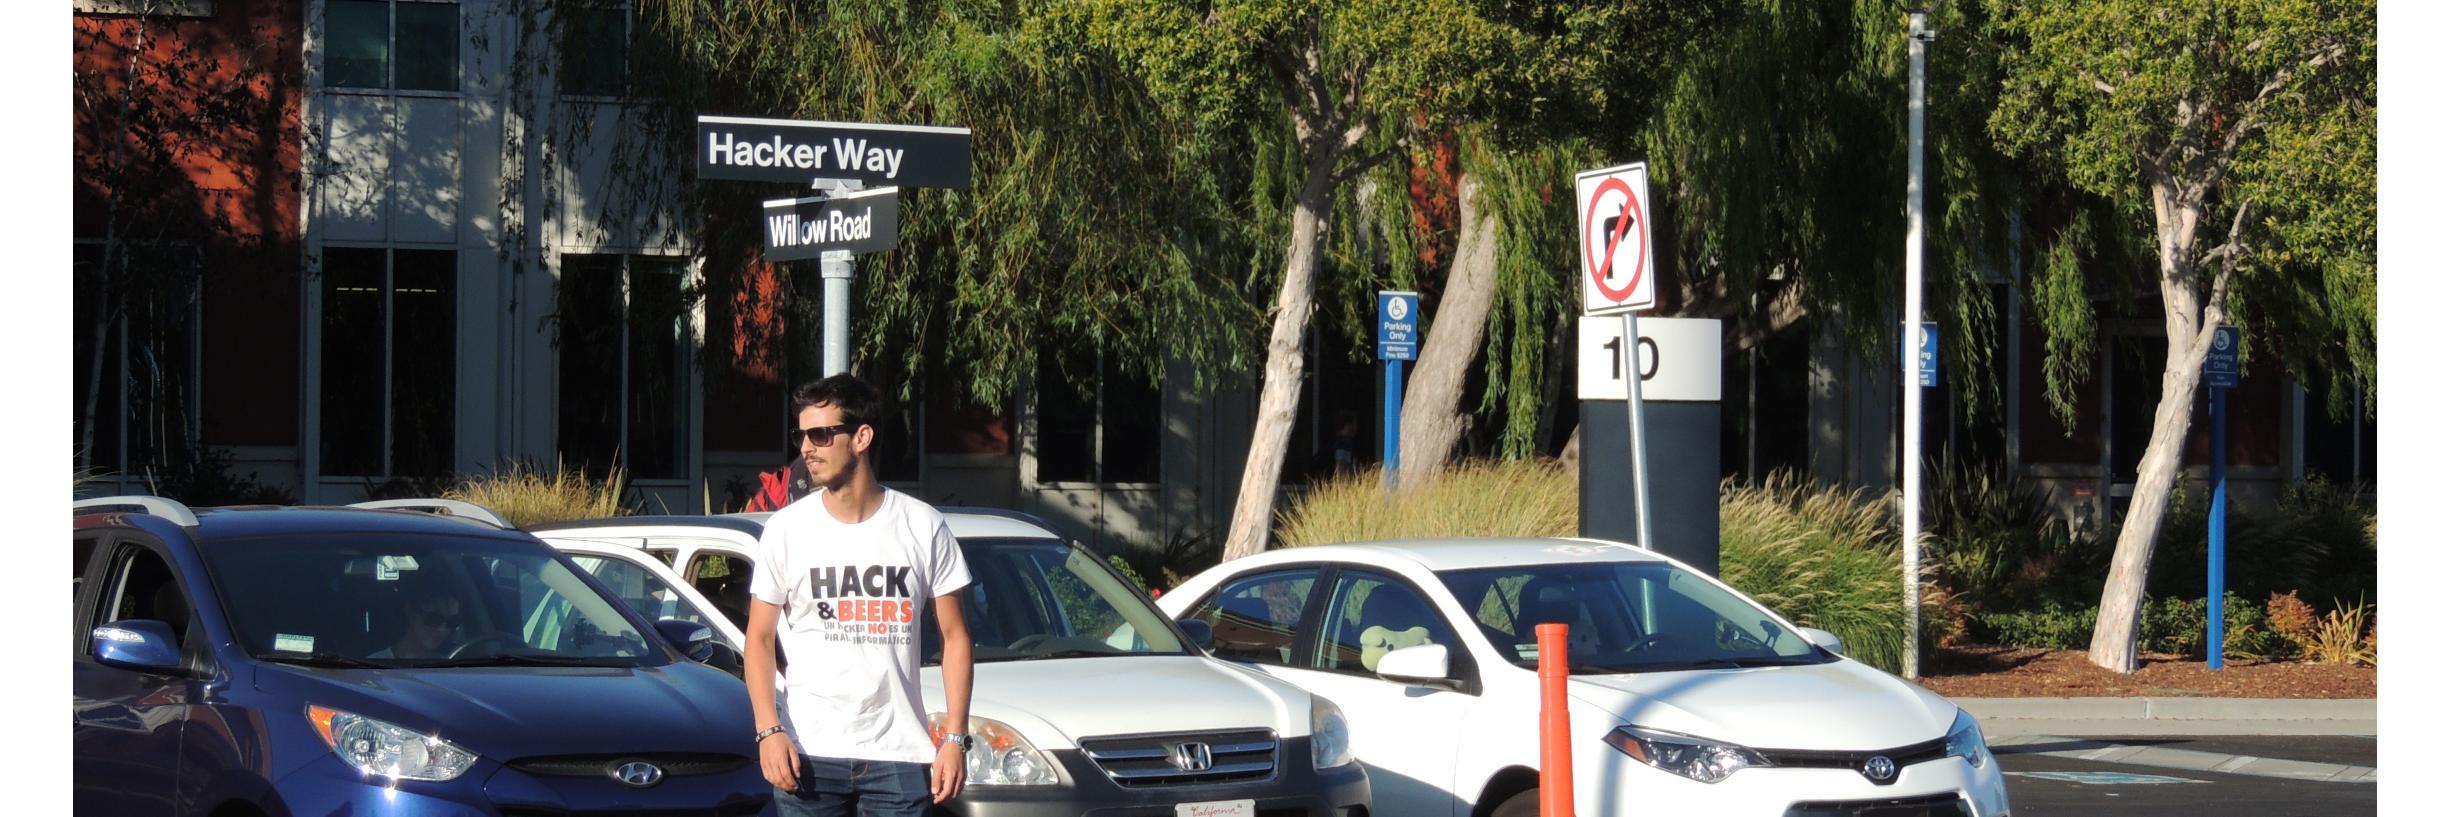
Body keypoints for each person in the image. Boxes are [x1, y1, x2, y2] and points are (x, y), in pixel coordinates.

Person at [746, 374, 975, 817]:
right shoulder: (786, 529)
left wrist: (954, 737)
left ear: (862, 437)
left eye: (820, 435)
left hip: (899, 754)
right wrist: (768, 730)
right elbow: (758, 638)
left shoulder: (923, 525)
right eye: (801, 436)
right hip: (808, 753)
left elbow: (956, 637)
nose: (806, 448)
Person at [372, 583, 462, 659]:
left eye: (452, 621)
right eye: (434, 619)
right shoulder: (372, 666)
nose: (442, 629)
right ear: (410, 611)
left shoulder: (450, 668)